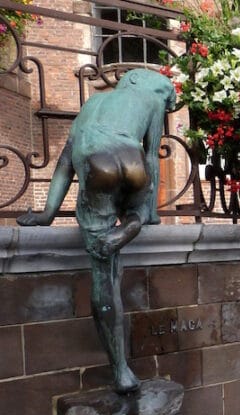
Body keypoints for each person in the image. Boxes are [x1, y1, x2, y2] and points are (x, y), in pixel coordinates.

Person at [16, 69, 176, 393]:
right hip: (132, 160)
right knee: (135, 214)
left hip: (96, 159)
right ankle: (129, 227)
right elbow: (151, 157)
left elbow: (65, 162)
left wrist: (48, 214)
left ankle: (121, 372)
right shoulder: (152, 101)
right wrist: (151, 213)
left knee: (104, 278)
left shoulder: (95, 102)